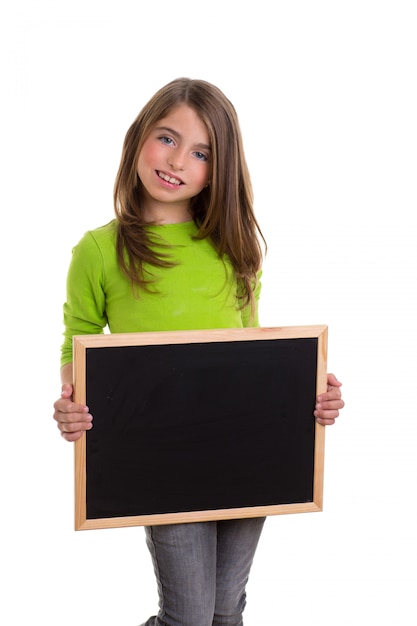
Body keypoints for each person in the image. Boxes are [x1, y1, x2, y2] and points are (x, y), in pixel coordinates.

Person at [53, 77, 344, 626]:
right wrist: (72, 401)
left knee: (226, 612)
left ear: (220, 168)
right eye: (167, 138)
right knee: (188, 616)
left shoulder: (235, 249)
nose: (177, 160)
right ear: (139, 137)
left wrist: (312, 390)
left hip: (247, 453)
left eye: (201, 152)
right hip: (165, 460)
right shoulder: (99, 250)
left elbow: (252, 349)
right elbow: (79, 338)